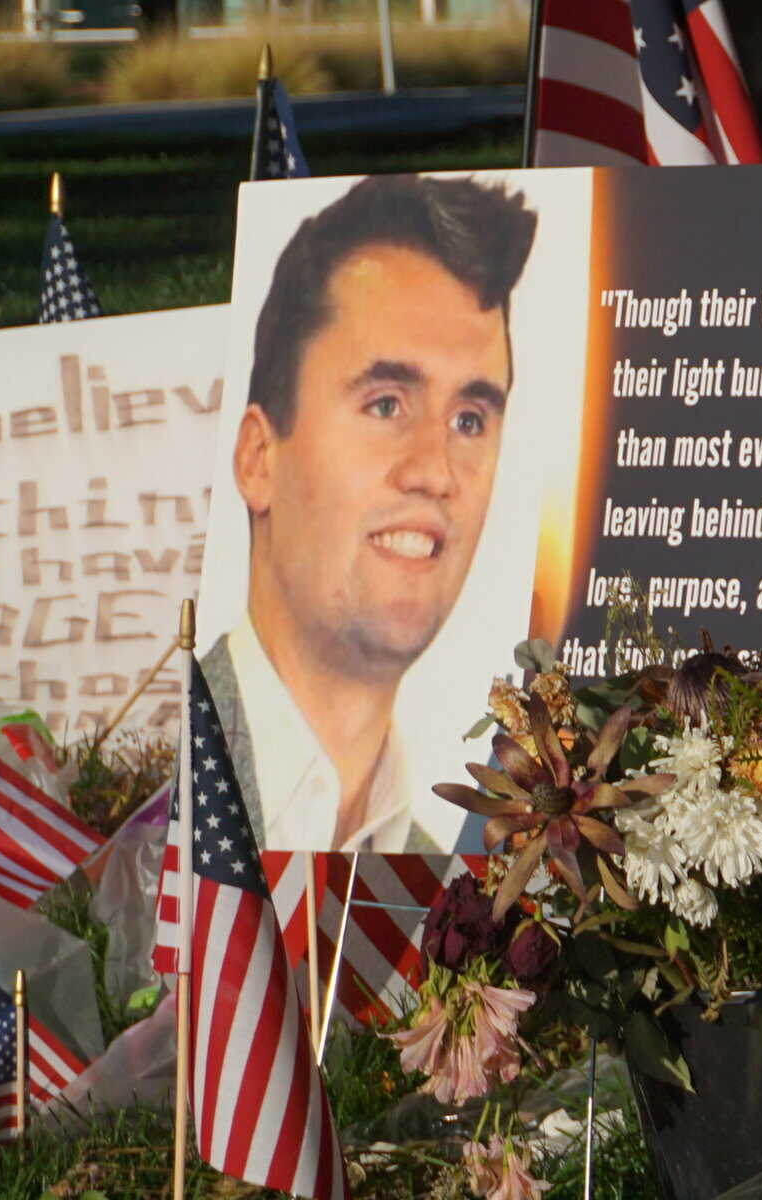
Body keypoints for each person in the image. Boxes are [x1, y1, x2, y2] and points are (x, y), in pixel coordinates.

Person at [204, 174, 538, 853]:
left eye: (470, 419)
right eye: (386, 404)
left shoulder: (442, 898)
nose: (435, 470)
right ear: (258, 459)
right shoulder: (146, 796)